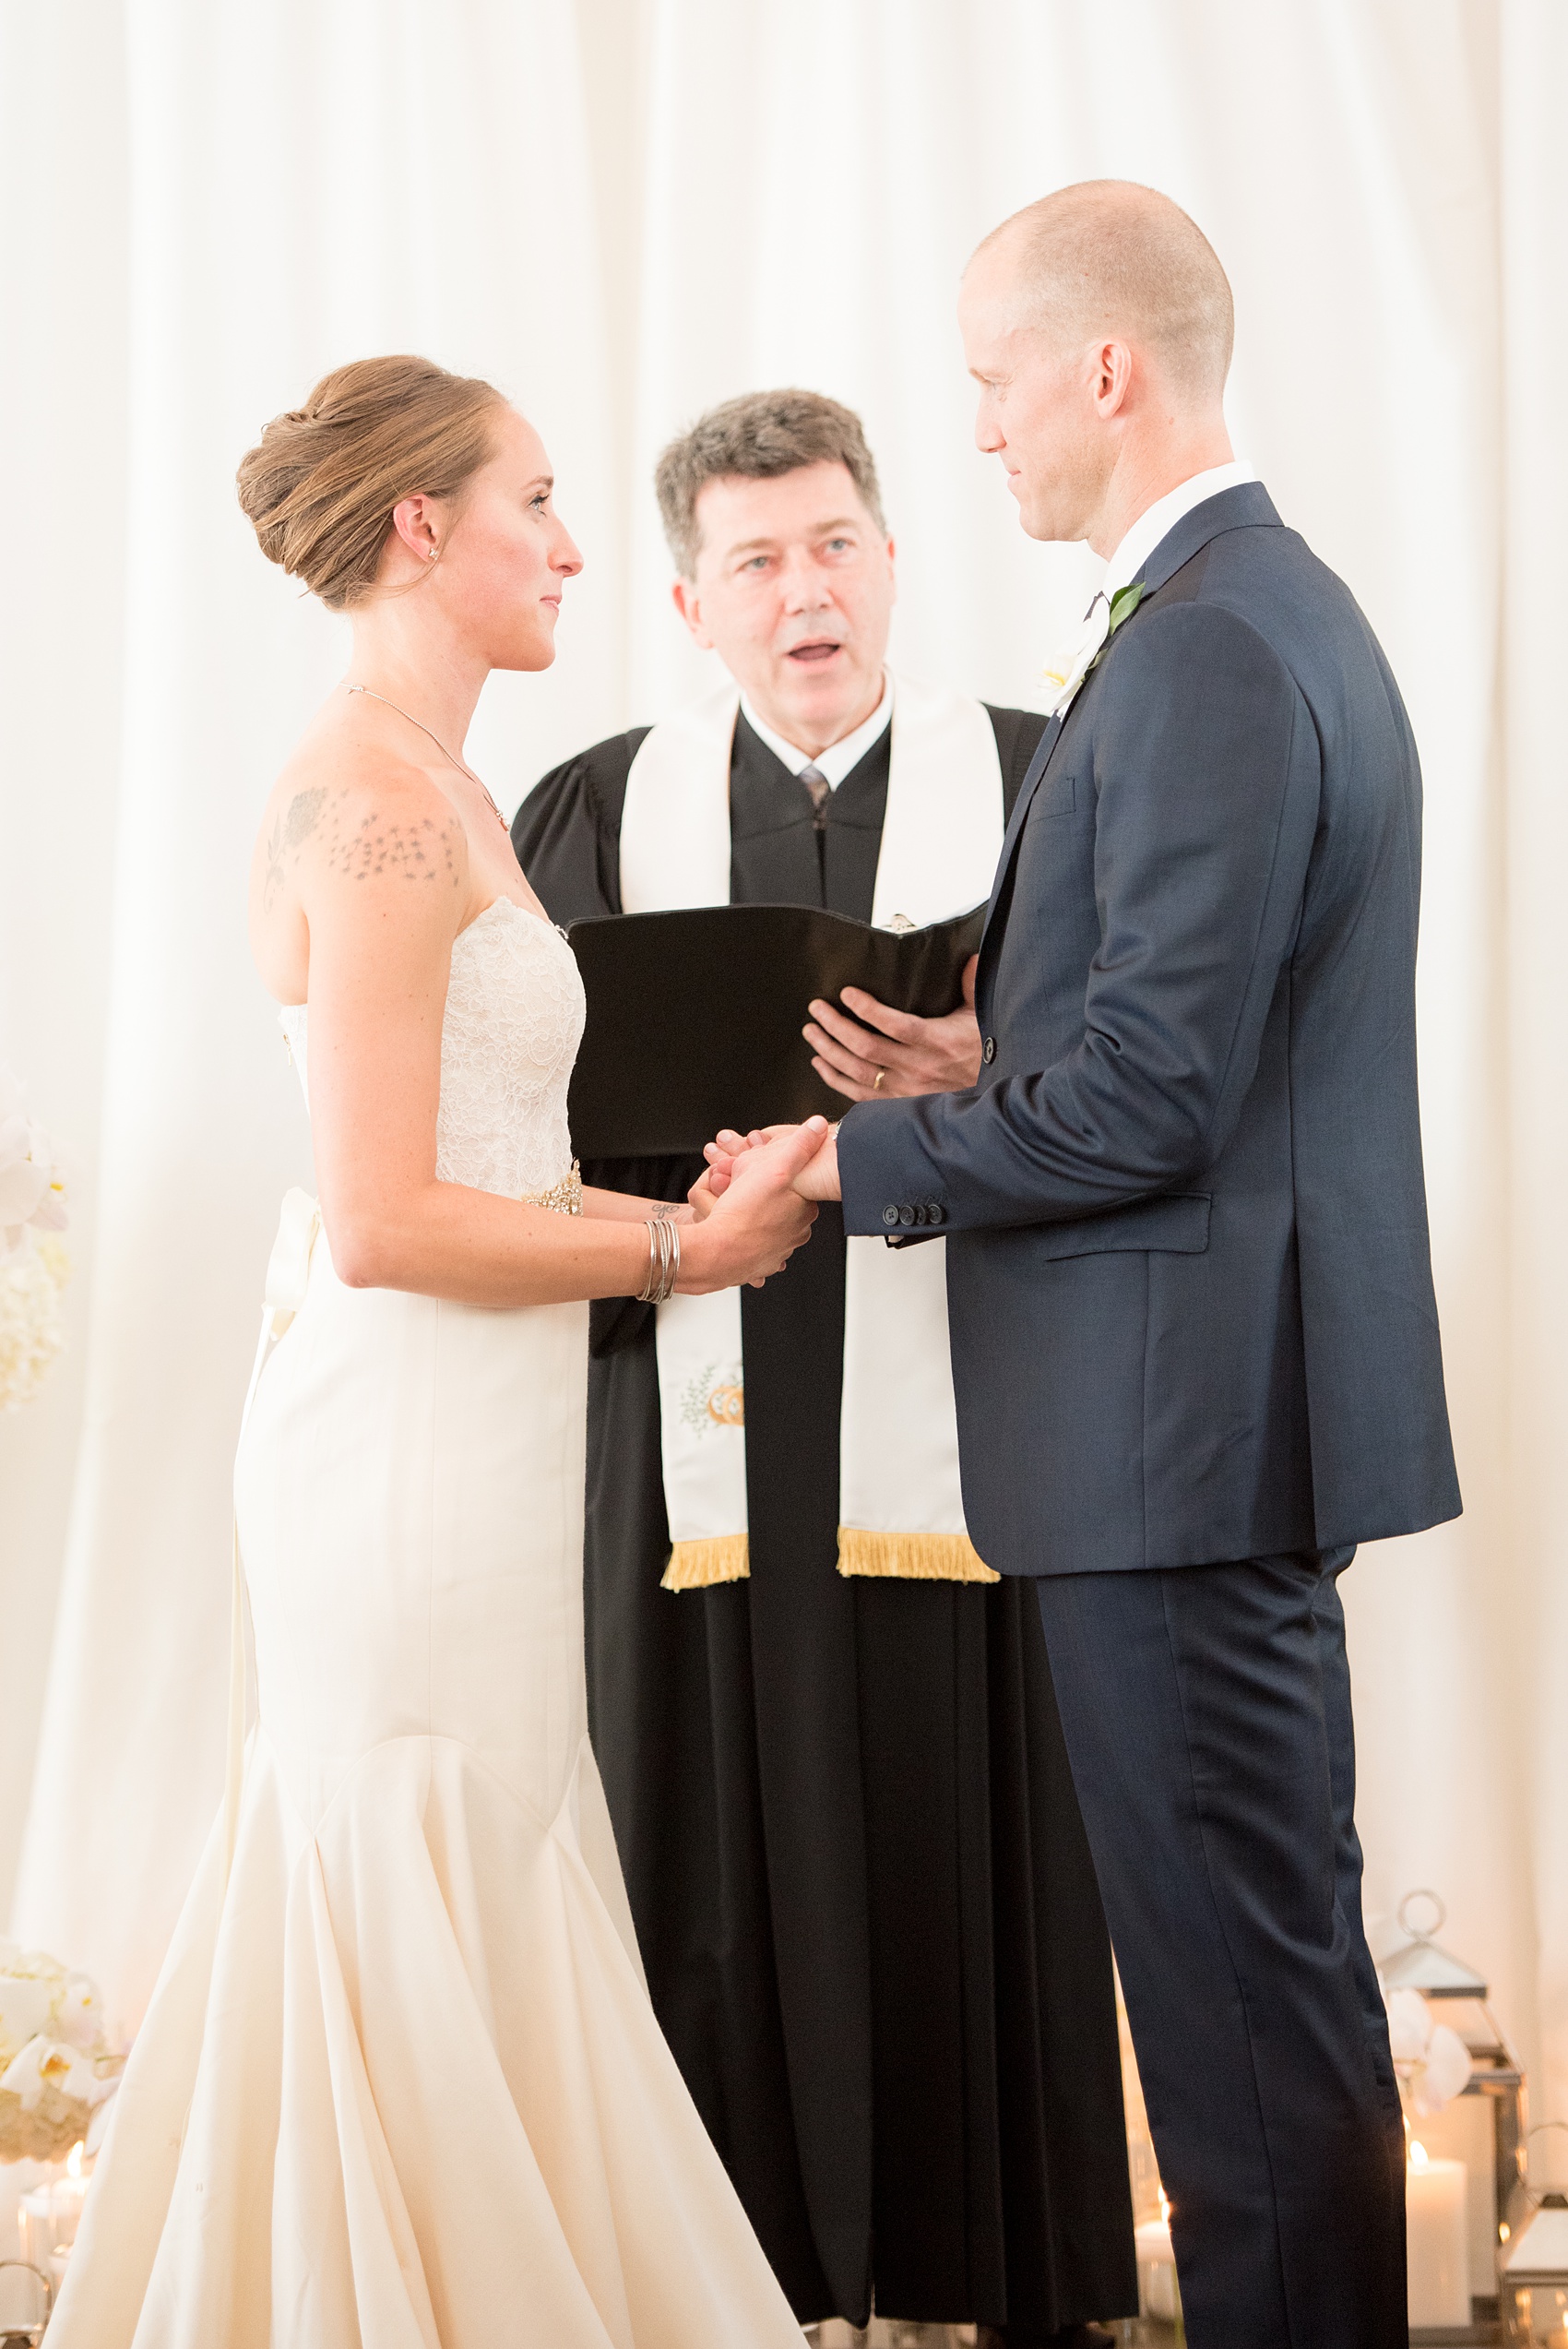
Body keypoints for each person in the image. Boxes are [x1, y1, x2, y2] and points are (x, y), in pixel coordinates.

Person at [714, 185, 1463, 2349]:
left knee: (1236, 2045)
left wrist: (864, 1153)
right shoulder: (1245, 609)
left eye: (986, 382)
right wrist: (995, 1046)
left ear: (1103, 370)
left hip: (1177, 1442)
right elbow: (1188, 1048)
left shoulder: (1211, 641)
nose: (974, 434)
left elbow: (1152, 1104)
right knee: (1257, 2004)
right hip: (1198, 1422)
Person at [49, 355, 827, 2347]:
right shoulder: (371, 802)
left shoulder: (442, 780)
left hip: (470, 1445)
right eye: (540, 503)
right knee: (412, 1846)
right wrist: (675, 1245)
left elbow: (488, 1162)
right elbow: (386, 1219)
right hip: (390, 1457)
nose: (574, 547)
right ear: (423, 528)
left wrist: (689, 1222)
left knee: (496, 1835)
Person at [515, 390, 1136, 2345]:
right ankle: (729, 2294)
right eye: (759, 562)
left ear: (891, 558)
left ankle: (979, 2287)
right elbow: (523, 1113)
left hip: (989, 1433)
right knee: (698, 1858)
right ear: (691, 602)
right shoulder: (601, 805)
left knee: (966, 1859)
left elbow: (1143, 1093)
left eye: (837, 546)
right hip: (687, 1406)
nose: (808, 595)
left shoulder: (1049, 777)